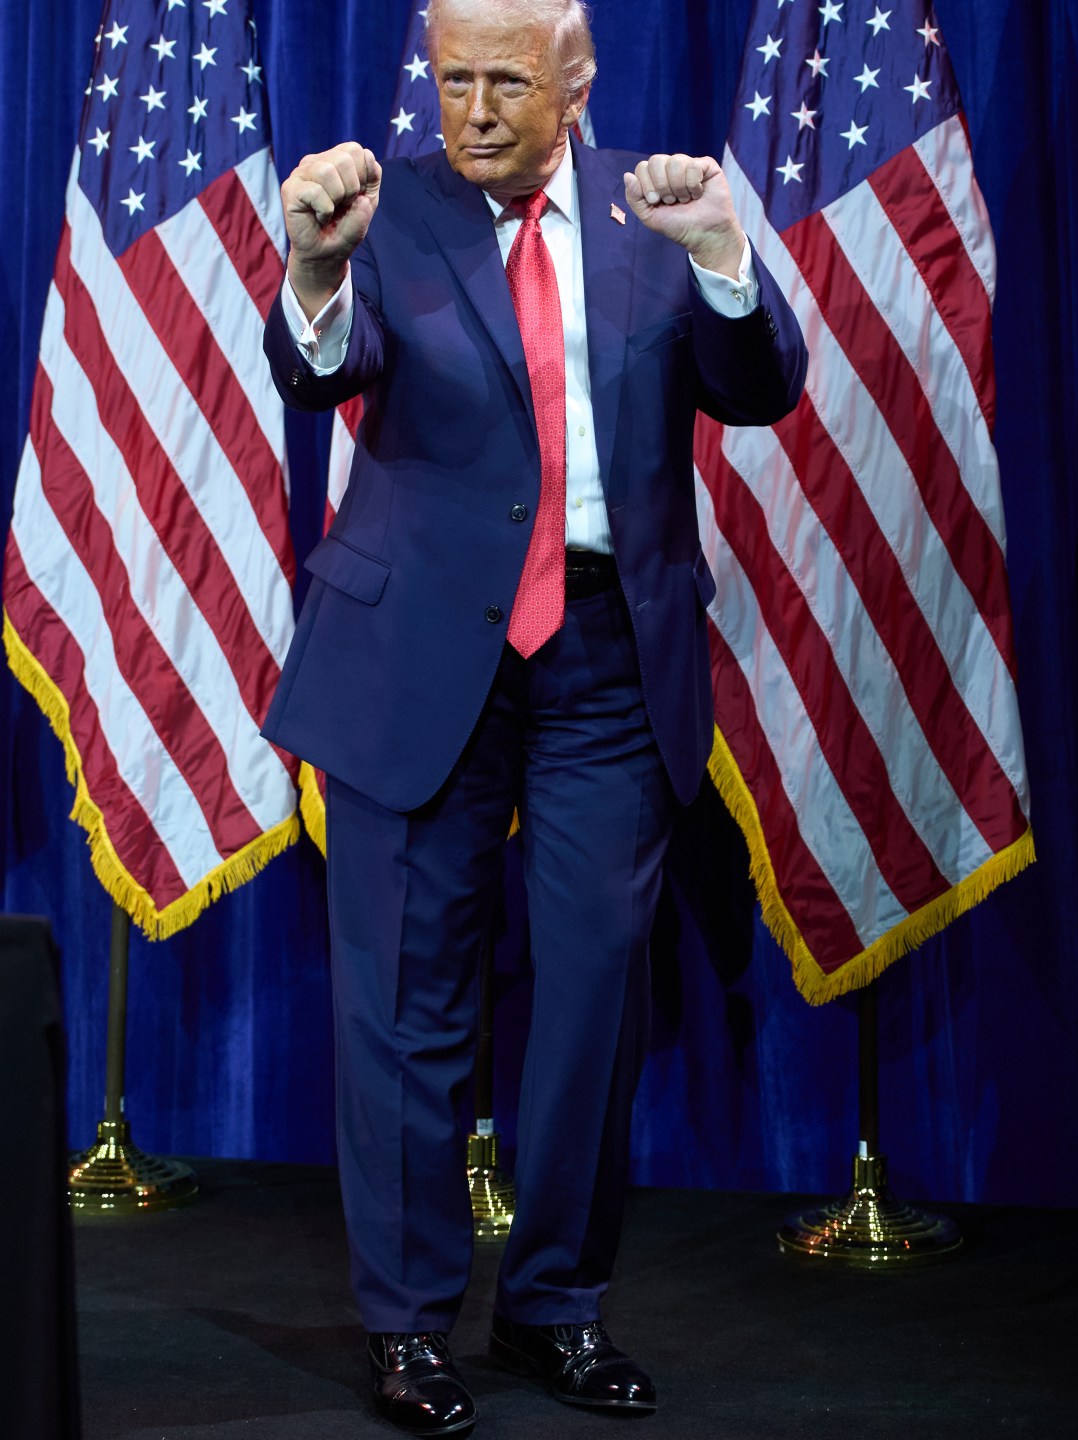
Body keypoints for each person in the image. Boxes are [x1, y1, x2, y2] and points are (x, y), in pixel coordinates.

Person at [261, 0, 804, 1431]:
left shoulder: (654, 219)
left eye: (509, 79)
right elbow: (323, 366)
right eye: (453, 79)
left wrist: (725, 259)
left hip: (605, 665)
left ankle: (554, 1308)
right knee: (404, 1010)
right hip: (418, 666)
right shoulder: (380, 210)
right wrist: (315, 269)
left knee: (589, 1002)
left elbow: (762, 390)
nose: (477, 107)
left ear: (577, 81)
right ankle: (406, 1329)